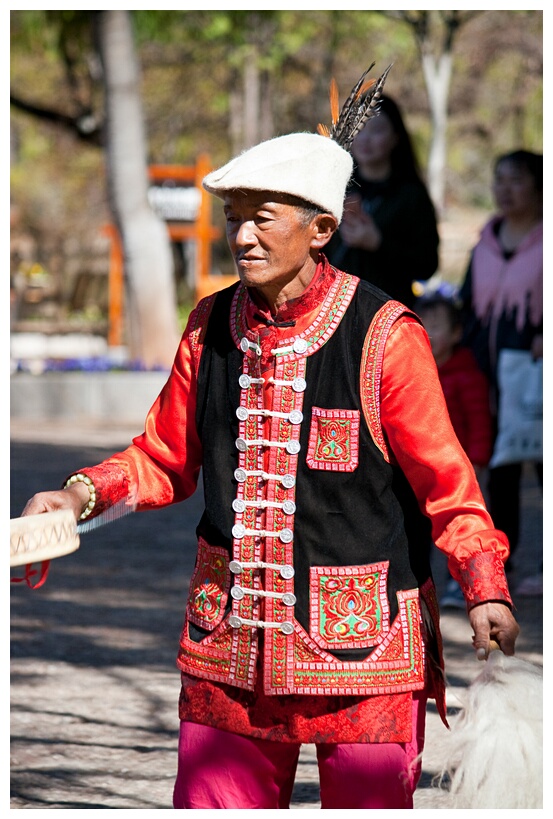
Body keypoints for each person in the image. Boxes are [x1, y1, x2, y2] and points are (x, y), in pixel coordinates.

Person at [20, 66, 519, 810]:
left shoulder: (385, 334)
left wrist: (483, 584)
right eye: (234, 218)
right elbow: (162, 454)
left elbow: (444, 478)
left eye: (264, 217)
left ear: (321, 230)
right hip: (230, 646)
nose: (242, 236)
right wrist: (78, 493)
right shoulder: (211, 324)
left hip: (365, 652)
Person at [459, 150, 543, 596]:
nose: (504, 190)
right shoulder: (486, 241)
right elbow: (469, 307)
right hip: (490, 376)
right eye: (499, 180)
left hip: (535, 374)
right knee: (501, 470)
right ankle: (504, 572)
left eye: (516, 180)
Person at [414, 292, 493, 609]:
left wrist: (477, 461)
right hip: (424, 469)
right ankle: (428, 583)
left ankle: (464, 586)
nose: (430, 333)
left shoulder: (467, 374)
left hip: (463, 470)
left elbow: (479, 421)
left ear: (458, 333)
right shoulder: (416, 370)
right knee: (426, 531)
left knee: (463, 528)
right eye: (424, 325)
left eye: (438, 326)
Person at [326, 94, 439, 308]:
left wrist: (378, 244)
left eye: (376, 130)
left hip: (389, 311)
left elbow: (427, 265)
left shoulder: (411, 196)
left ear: (396, 137)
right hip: (335, 309)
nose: (365, 138)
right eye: (358, 128)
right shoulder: (333, 188)